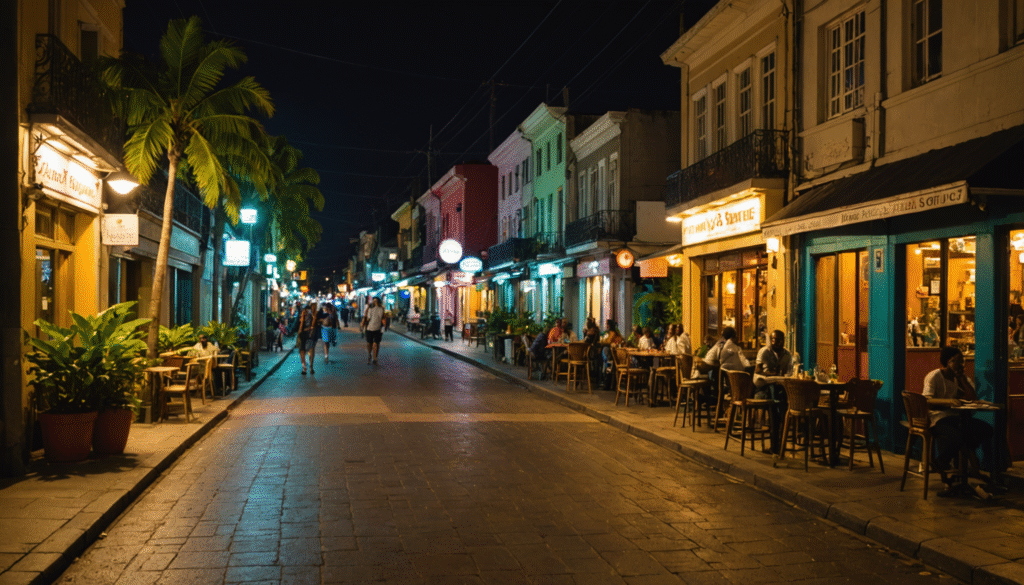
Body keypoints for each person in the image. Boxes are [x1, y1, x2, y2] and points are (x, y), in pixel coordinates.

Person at [923, 346, 993, 474]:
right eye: (956, 361)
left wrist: (962, 380)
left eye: (962, 361)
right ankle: (941, 462)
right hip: (939, 418)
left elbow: (973, 399)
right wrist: (948, 402)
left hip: (959, 417)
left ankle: (988, 467)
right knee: (958, 437)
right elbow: (927, 400)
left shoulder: (961, 378)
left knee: (987, 429)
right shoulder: (934, 376)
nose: (960, 364)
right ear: (947, 362)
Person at [754, 330, 793, 453]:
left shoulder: (787, 354)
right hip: (762, 389)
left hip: (779, 387)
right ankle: (775, 444)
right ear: (771, 340)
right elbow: (757, 370)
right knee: (775, 404)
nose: (777, 342)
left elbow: (789, 372)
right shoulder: (764, 352)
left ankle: (778, 443)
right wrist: (770, 373)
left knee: (781, 402)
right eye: (774, 340)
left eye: (780, 340)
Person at [697, 327, 752, 406]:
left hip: (710, 366)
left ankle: (714, 400)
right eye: (735, 336)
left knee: (719, 375)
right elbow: (743, 363)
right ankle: (715, 399)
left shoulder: (721, 344)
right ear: (733, 337)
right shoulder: (727, 346)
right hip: (711, 367)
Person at [362, 296, 388, 364]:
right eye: (374, 300)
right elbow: (366, 317)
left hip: (378, 328)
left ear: (379, 301)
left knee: (376, 343)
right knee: (369, 343)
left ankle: (375, 358)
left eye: (376, 301)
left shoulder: (381, 308)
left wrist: (384, 325)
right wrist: (363, 324)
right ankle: (369, 354)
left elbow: (383, 317)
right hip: (369, 328)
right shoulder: (369, 308)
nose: (375, 302)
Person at [297, 302, 317, 375]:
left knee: (306, 351)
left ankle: (307, 367)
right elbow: (298, 325)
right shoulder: (303, 316)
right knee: (304, 351)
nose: (305, 311)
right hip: (305, 334)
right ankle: (306, 367)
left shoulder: (310, 316)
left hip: (308, 334)